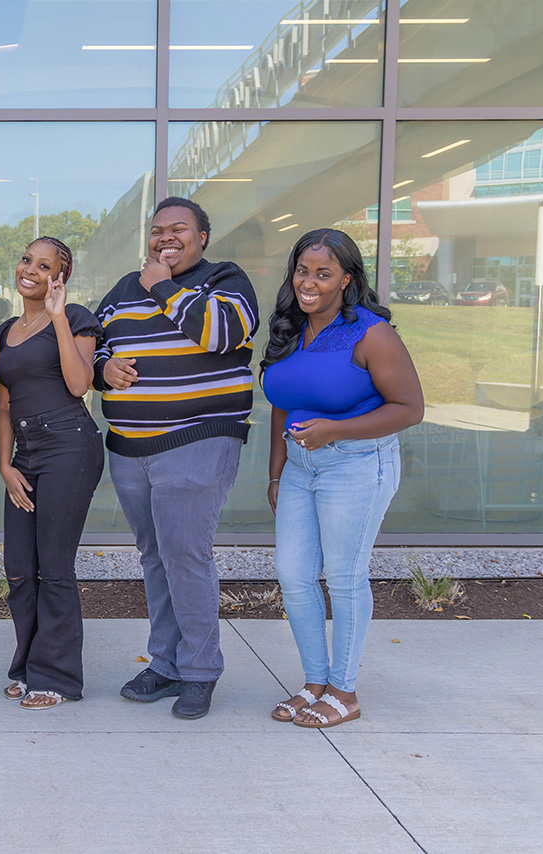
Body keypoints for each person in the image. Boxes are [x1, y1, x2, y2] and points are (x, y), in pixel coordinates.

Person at [94, 197, 259, 721]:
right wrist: (106, 371)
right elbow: (95, 343)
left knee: (186, 556)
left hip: (198, 439)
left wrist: (162, 286)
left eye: (178, 229)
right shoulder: (123, 288)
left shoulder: (226, 281)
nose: (165, 237)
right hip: (129, 447)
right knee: (155, 557)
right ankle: (164, 662)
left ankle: (200, 670)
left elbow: (220, 334)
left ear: (202, 237)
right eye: (157, 230)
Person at [261, 228, 423, 728]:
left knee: (346, 577)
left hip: (356, 463)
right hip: (298, 466)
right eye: (303, 271)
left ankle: (344, 691)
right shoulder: (292, 327)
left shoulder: (372, 333)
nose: (309, 282)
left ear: (346, 279)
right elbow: (280, 404)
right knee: (293, 574)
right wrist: (275, 472)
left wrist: (336, 430)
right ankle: (315, 682)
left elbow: (410, 408)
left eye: (323, 273)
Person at [0, 237, 103, 709]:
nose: (31, 270)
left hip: (69, 446)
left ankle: (56, 678)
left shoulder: (76, 317)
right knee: (19, 569)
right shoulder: (5, 330)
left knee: (54, 568)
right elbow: (2, 409)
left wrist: (58, 315)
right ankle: (27, 664)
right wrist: (4, 464)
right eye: (27, 260)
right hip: (25, 454)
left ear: (60, 277)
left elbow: (80, 384)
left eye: (45, 265)